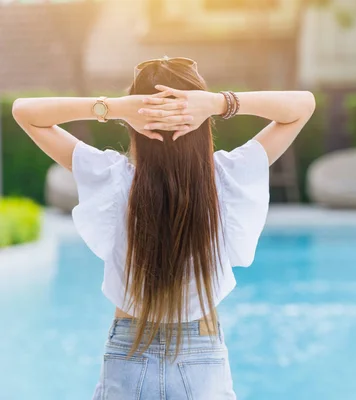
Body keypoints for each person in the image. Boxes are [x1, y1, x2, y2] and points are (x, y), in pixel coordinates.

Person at [11, 56, 316, 399]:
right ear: (201, 121)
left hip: (129, 350)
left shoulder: (111, 178)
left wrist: (113, 107)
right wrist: (219, 103)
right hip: (203, 357)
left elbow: (25, 112)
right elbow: (303, 105)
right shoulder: (228, 176)